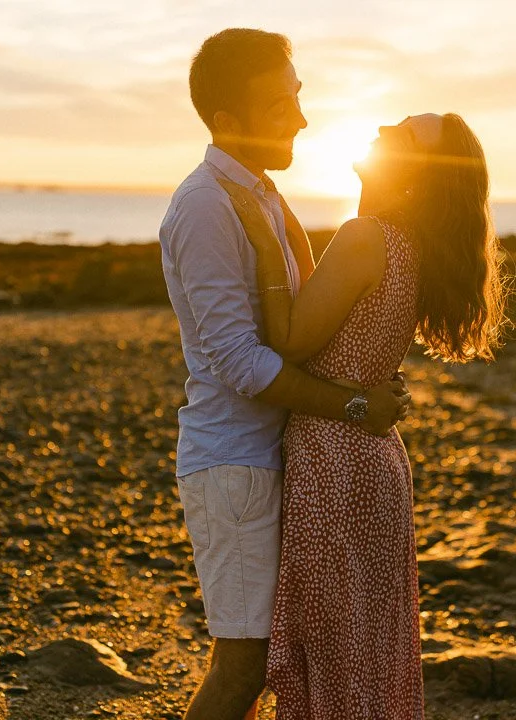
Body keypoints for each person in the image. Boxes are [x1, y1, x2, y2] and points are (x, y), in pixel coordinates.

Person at [157, 28, 412, 720]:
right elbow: (241, 363)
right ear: (226, 122)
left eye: (298, 99)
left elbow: (298, 322)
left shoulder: (260, 194)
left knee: (284, 658)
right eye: (280, 107)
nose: (301, 118)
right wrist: (354, 405)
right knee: (242, 667)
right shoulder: (207, 206)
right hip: (235, 467)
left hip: (275, 460)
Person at [228, 112, 513, 718]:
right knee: (366, 650)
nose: (386, 129)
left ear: (416, 172)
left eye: (406, 134)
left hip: (333, 462)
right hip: (374, 463)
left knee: (330, 653)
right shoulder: (407, 245)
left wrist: (264, 243)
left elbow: (290, 340)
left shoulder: (367, 238)